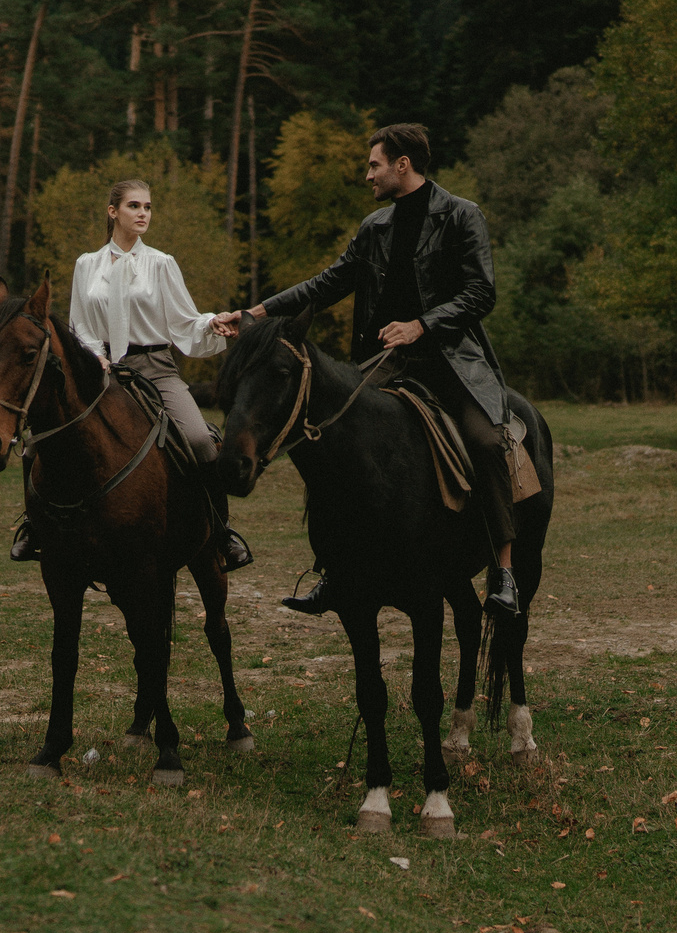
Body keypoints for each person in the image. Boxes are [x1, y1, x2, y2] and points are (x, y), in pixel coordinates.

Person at [213, 122, 522, 619]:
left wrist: (422, 325)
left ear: (403, 165)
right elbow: (328, 283)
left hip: (452, 364)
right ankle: (334, 567)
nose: (367, 175)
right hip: (382, 364)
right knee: (327, 442)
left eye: (374, 165)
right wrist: (258, 313)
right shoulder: (375, 226)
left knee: (486, 443)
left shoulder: (463, 216)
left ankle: (503, 572)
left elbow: (481, 292)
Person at [8, 178, 256, 572]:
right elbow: (80, 325)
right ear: (113, 212)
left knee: (200, 440)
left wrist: (212, 325)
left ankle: (221, 533)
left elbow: (183, 319)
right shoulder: (87, 264)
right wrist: (95, 357)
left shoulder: (161, 263)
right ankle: (34, 528)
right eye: (134, 206)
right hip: (99, 372)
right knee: (37, 439)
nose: (143, 214)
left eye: (148, 207)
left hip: (155, 369)